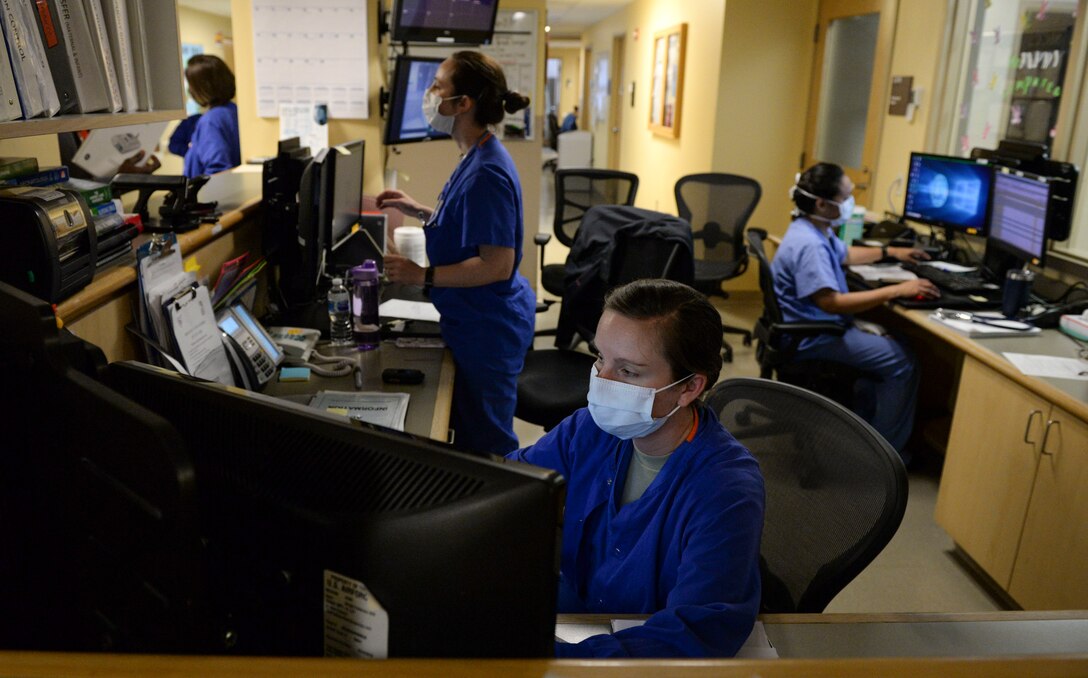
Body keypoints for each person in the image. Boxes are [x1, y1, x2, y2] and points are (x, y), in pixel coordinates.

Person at [508, 279, 765, 658]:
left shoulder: (725, 489)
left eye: (628, 372)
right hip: (580, 614)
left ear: (689, 387)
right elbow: (505, 491)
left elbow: (690, 633)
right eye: (600, 359)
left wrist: (551, 662)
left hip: (642, 650)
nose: (602, 382)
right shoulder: (589, 429)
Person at [377, 51, 536, 455]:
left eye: (437, 86)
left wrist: (420, 276)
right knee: (468, 433)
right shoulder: (477, 153)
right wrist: (421, 210)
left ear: (463, 103)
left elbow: (496, 264)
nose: (429, 94)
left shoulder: (487, 171)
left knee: (488, 447)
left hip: (488, 327)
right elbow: (473, 223)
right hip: (476, 319)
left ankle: (503, 513)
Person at [773, 162, 939, 458]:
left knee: (898, 341)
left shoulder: (811, 228)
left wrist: (891, 252)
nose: (851, 202)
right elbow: (831, 302)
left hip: (814, 327)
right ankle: (883, 455)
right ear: (823, 203)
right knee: (903, 361)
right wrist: (898, 290)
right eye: (846, 196)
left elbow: (846, 254)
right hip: (814, 337)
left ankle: (865, 420)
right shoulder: (811, 244)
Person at [180, 55, 240, 178]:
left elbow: (217, 170)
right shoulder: (233, 111)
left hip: (211, 195)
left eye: (190, 85)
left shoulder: (210, 120)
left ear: (202, 88)